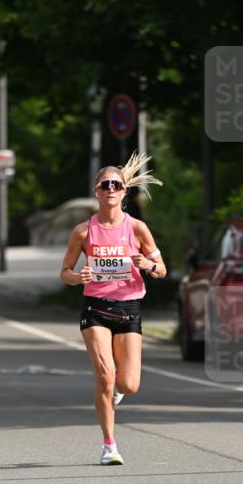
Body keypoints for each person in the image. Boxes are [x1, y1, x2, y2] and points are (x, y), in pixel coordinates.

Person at [60, 152, 166, 465]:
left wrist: (148, 264)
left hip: (129, 307)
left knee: (129, 385)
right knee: (106, 376)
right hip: (95, 308)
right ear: (96, 191)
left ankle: (115, 393)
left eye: (116, 185)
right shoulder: (83, 232)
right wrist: (79, 276)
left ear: (124, 192)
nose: (110, 189)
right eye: (105, 184)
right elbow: (64, 272)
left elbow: (162, 269)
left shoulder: (137, 229)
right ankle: (110, 446)